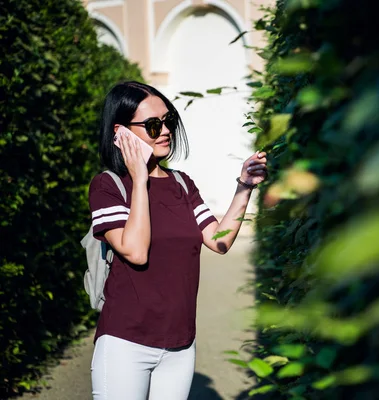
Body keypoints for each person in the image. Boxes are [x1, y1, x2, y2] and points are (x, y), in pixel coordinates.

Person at [88, 81, 267, 399]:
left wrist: (244, 186)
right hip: (124, 344)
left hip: (180, 346)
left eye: (168, 120)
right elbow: (136, 251)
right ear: (120, 132)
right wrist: (140, 179)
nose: (165, 130)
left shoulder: (183, 184)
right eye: (153, 125)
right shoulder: (108, 186)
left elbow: (219, 240)